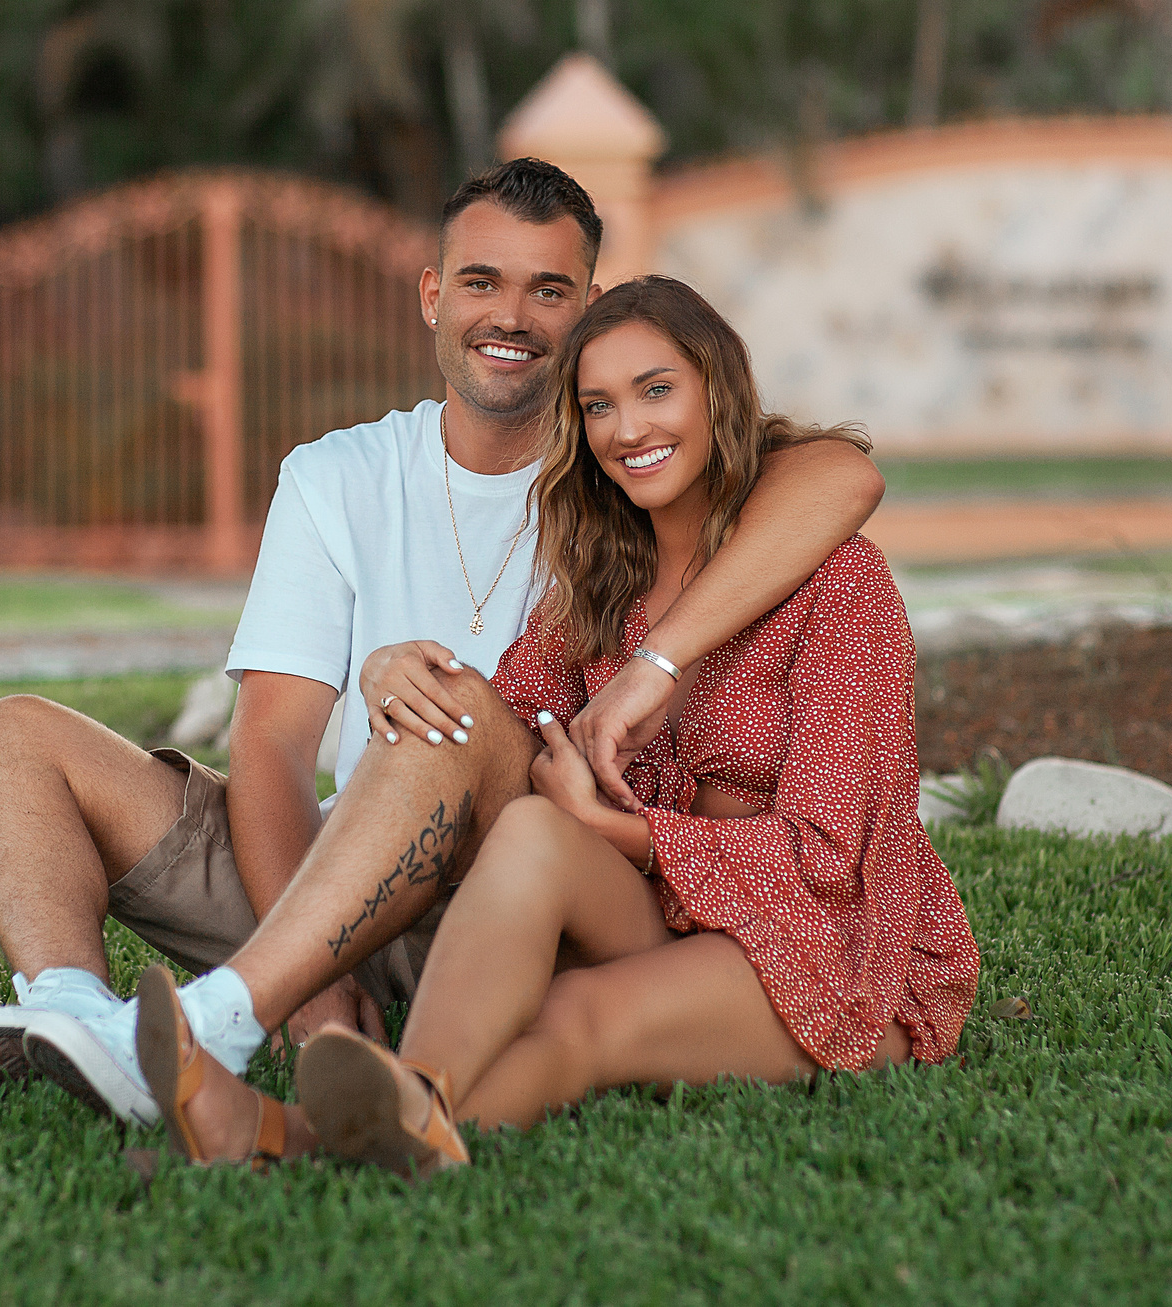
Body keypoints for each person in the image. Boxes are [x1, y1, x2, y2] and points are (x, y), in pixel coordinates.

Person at [0, 161, 887, 1157]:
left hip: (525, 887)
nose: (510, 315)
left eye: (548, 291)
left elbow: (837, 476)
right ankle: (76, 1020)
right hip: (337, 867)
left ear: (589, 312)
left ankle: (226, 1017)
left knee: (451, 712)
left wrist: (651, 667)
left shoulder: (617, 486)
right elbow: (271, 752)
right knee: (8, 739)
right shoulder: (341, 475)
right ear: (434, 295)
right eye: (481, 281)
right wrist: (318, 994)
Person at [256, 276, 978, 1176]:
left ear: (720, 387)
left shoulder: (840, 584)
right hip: (677, 916)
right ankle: (391, 1119)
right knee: (528, 828)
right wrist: (391, 668)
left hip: (831, 944)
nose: (628, 428)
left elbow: (829, 856)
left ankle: (306, 1138)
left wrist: (615, 831)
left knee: (574, 1017)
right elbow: (495, 733)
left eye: (657, 389)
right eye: (598, 406)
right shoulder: (601, 592)